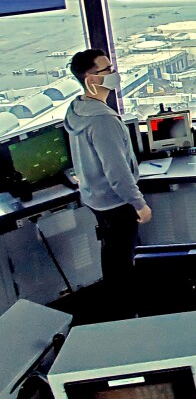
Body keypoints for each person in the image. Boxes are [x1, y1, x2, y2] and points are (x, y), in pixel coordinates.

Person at [65, 49, 151, 319]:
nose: (115, 74)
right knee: (122, 262)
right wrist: (139, 204)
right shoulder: (103, 120)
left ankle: (117, 308)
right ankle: (125, 316)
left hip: (95, 198)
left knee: (112, 256)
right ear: (91, 80)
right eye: (107, 70)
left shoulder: (77, 109)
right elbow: (117, 171)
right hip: (116, 202)